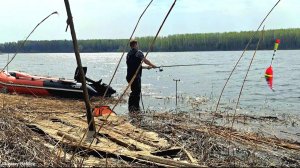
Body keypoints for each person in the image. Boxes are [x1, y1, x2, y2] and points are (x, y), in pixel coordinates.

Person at [126, 39, 156, 114]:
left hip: (129, 76)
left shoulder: (128, 54)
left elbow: (135, 66)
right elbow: (145, 61)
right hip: (135, 76)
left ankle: (131, 108)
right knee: (136, 92)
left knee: (133, 91)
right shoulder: (138, 52)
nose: (138, 45)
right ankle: (136, 109)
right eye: (137, 44)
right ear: (135, 45)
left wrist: (147, 67)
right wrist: (153, 65)